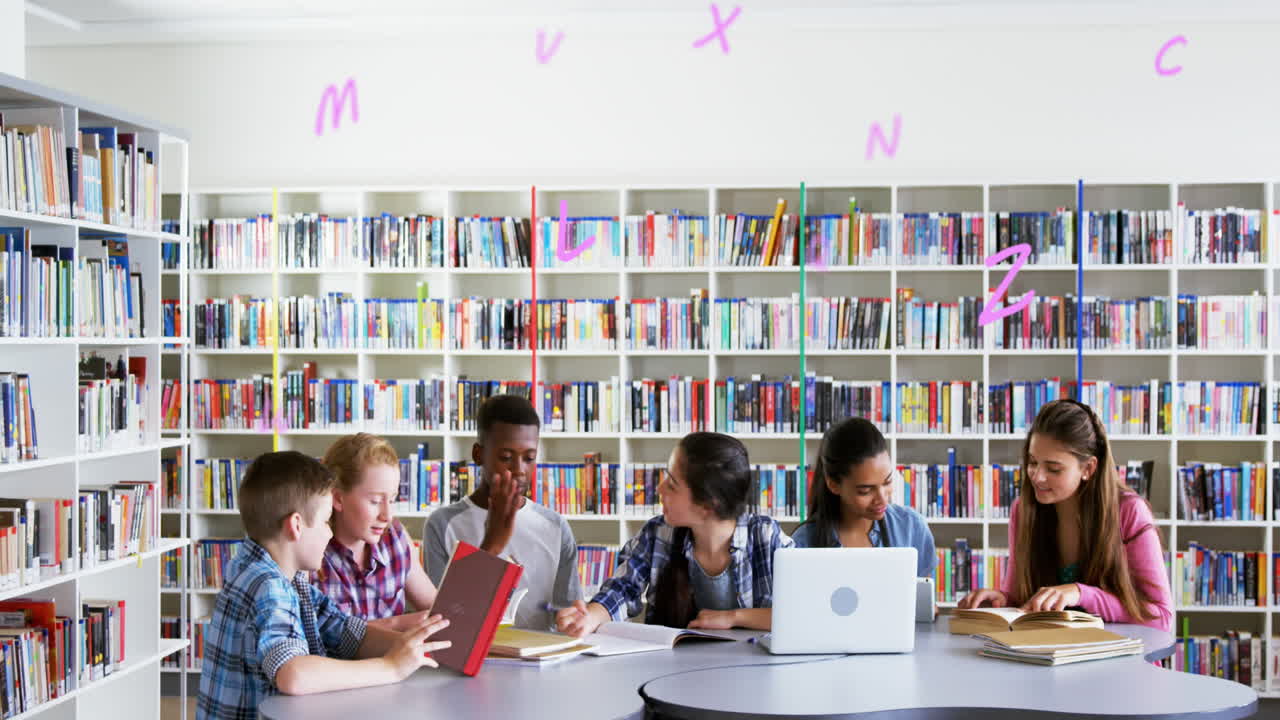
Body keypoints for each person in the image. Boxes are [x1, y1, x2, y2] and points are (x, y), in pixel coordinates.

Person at [198, 451, 450, 720]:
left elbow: (344, 631)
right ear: (296, 525)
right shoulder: (269, 587)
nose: (329, 532)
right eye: (325, 521)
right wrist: (391, 667)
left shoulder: (268, 570)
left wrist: (412, 647)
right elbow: (293, 675)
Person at [956, 399, 1173, 632]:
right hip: (1051, 658)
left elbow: (1161, 616)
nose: (1037, 477)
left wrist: (1080, 593)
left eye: (1053, 469)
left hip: (1123, 661)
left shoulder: (1129, 511)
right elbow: (1022, 600)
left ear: (1088, 469)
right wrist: (1000, 600)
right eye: (1032, 462)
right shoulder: (1024, 511)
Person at [556, 432, 792, 637]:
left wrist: (733, 617)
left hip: (752, 672)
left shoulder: (766, 536)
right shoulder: (657, 533)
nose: (659, 489)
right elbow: (622, 590)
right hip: (671, 672)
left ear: (707, 505)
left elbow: (801, 610)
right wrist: (590, 616)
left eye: (671, 484)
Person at [422, 394, 581, 631]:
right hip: (469, 659)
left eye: (529, 458)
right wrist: (492, 542)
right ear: (478, 455)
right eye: (506, 458)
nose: (519, 470)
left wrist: (573, 618)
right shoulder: (443, 524)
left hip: (539, 658)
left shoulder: (555, 526)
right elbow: (440, 620)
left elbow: (568, 612)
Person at [314, 433, 438, 631]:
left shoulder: (395, 538)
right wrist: (395, 623)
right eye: (375, 501)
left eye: (392, 499)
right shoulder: (310, 554)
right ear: (337, 499)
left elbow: (435, 608)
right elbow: (310, 640)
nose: (387, 516)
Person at [791, 417, 935, 577]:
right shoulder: (803, 543)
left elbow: (925, 601)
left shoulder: (911, 527)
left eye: (887, 482)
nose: (882, 499)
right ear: (833, 484)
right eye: (865, 491)